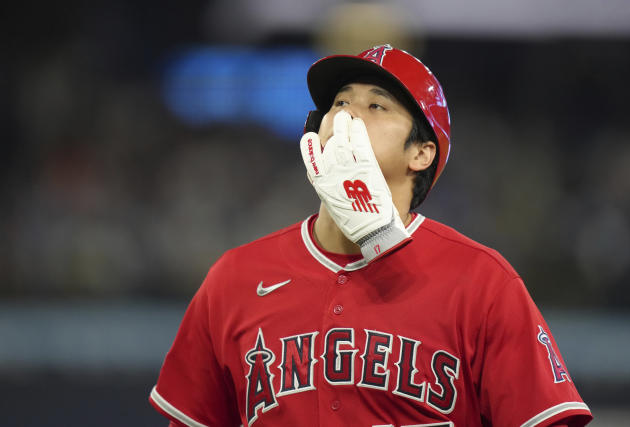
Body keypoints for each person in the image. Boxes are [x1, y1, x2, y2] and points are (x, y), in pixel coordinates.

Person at [149, 44, 593, 427]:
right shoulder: (236, 277)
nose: (347, 116)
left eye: (376, 106)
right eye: (339, 103)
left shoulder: (482, 283)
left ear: (421, 152)